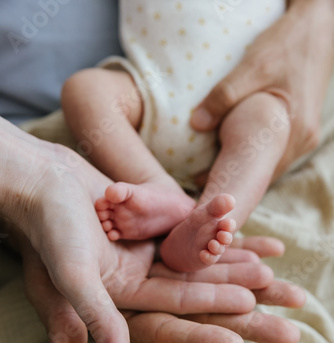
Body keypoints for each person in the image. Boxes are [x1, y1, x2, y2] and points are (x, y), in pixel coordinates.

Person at [1, 0, 334, 343]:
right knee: (86, 92)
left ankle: (208, 214)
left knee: (267, 123)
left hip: (259, 82)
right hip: (140, 90)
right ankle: (171, 201)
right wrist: (27, 179)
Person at [62, 0, 290, 272]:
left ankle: (209, 220)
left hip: (242, 103)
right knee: (86, 91)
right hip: (147, 93)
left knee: (270, 120)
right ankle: (159, 187)